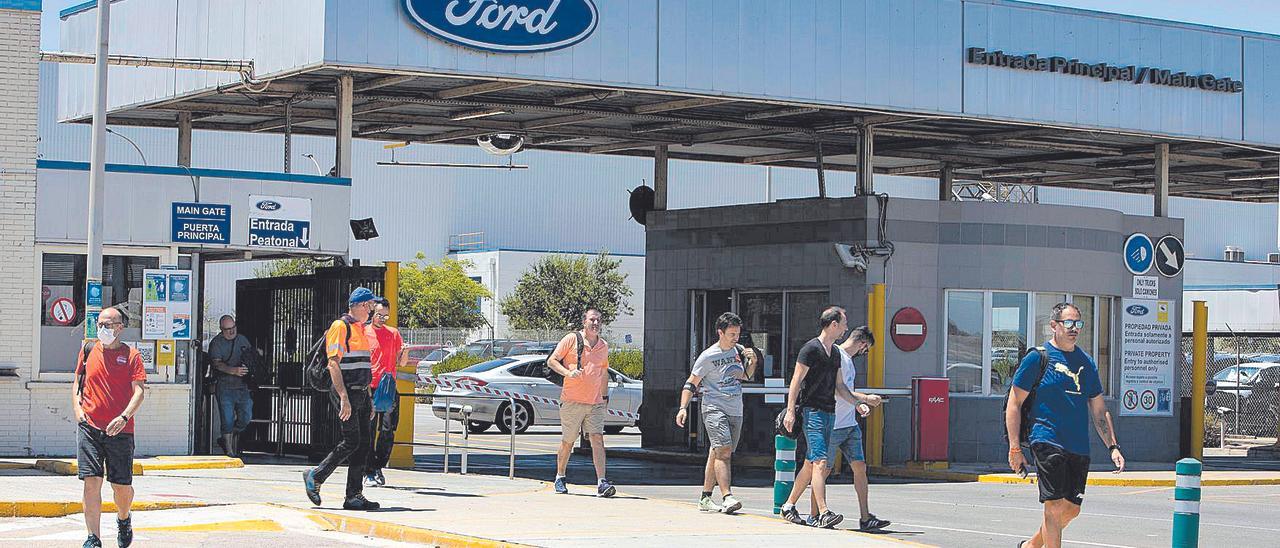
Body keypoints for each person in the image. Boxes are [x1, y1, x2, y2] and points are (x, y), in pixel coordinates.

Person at [1006, 303, 1125, 548]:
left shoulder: (1086, 363)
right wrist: (1015, 447)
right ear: (1054, 326)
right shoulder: (1037, 359)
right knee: (1054, 505)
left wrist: (1112, 446)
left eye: (1078, 324)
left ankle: (1030, 546)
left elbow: (1099, 409)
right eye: (1068, 323)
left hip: (1078, 445)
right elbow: (1014, 403)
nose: (1074, 329)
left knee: (1071, 510)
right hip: (1046, 438)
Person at [72, 307, 146, 548]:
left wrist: (124, 417)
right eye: (99, 324)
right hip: (89, 427)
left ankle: (124, 518)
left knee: (121, 487)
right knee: (91, 481)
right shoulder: (88, 350)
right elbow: (77, 384)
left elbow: (139, 392)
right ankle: (93, 537)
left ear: (120, 327)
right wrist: (78, 411)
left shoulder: (132, 355)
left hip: (120, 430)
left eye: (108, 324)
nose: (102, 329)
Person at [303, 287, 380, 510]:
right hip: (345, 392)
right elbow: (333, 363)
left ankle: (354, 496)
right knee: (352, 441)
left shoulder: (361, 330)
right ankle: (316, 475)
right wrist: (344, 397)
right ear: (361, 305)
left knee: (363, 444)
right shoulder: (341, 326)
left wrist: (369, 398)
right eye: (370, 306)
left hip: (361, 393)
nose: (372, 311)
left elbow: (362, 367)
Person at [675, 312, 758, 514]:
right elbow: (691, 383)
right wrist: (682, 408)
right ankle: (727, 496)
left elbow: (746, 377)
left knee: (718, 451)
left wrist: (753, 361)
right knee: (724, 451)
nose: (736, 338)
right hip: (714, 406)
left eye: (738, 334)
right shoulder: (708, 356)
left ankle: (705, 497)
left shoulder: (739, 351)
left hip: (735, 407)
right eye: (731, 334)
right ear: (720, 333)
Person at [780, 306, 847, 529]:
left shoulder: (836, 353)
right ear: (834, 324)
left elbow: (839, 385)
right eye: (843, 323)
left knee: (810, 463)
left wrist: (859, 403)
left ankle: (788, 505)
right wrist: (790, 411)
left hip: (830, 412)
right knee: (820, 462)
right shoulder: (810, 349)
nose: (846, 328)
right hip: (812, 412)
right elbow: (796, 381)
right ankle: (822, 513)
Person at [548, 308, 615, 497]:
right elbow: (552, 361)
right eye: (592, 320)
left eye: (599, 320)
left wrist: (604, 398)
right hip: (572, 401)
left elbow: (603, 373)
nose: (596, 323)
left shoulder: (603, 346)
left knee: (597, 439)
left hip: (595, 403)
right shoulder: (572, 339)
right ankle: (560, 476)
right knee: (568, 441)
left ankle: (602, 482)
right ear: (584, 322)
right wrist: (568, 373)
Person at [831, 325, 890, 531]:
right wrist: (865, 399)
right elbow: (839, 390)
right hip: (834, 422)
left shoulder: (846, 360)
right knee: (819, 469)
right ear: (863, 343)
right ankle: (806, 509)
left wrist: (859, 404)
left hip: (849, 423)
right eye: (866, 349)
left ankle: (865, 516)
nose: (864, 353)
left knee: (860, 468)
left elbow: (847, 392)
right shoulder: (836, 356)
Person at [364, 299, 408, 487]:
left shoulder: (393, 333)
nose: (382, 319)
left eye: (386, 316)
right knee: (369, 430)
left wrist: (405, 352)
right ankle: (369, 471)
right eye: (379, 315)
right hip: (370, 386)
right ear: (373, 313)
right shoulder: (364, 332)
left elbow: (403, 363)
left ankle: (378, 465)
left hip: (388, 387)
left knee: (388, 430)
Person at [207, 314, 254, 457]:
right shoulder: (216, 343)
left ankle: (229, 435)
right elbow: (216, 364)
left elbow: (251, 357)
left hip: (242, 387)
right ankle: (229, 450)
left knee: (246, 417)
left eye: (233, 327)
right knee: (226, 418)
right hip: (225, 387)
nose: (231, 331)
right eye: (227, 329)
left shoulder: (242, 340)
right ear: (221, 330)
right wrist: (233, 371)